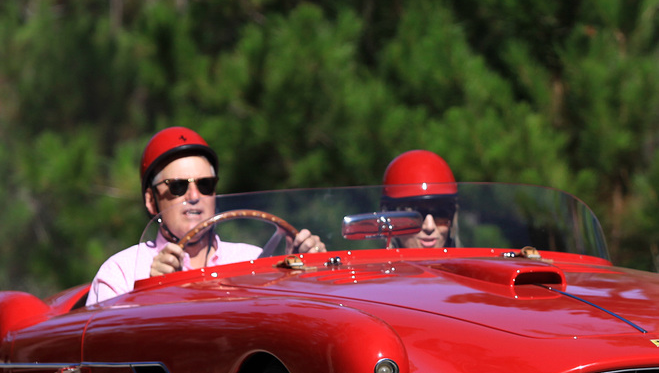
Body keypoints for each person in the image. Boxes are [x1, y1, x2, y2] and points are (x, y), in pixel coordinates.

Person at [86, 127, 323, 306]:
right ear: (151, 200)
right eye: (177, 186)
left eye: (205, 185)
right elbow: (107, 353)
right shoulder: (121, 273)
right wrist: (150, 292)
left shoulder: (253, 259)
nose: (194, 195)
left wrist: (303, 274)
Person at [381, 149, 457, 249]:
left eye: (440, 214)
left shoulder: (470, 263)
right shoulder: (365, 264)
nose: (429, 227)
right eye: (415, 215)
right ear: (391, 219)